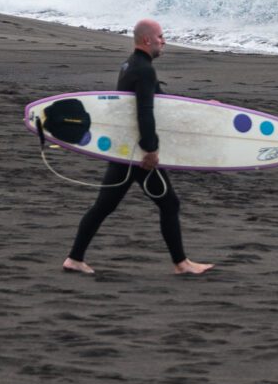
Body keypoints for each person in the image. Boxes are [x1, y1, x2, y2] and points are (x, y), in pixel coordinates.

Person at [62, 18, 214, 277]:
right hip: (136, 153)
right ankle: (181, 263)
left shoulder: (129, 65)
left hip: (125, 151)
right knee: (169, 204)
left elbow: (158, 102)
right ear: (147, 40)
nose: (163, 41)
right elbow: (145, 112)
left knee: (104, 206)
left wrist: (199, 110)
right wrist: (150, 150)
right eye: (160, 37)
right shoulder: (144, 70)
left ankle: (75, 258)